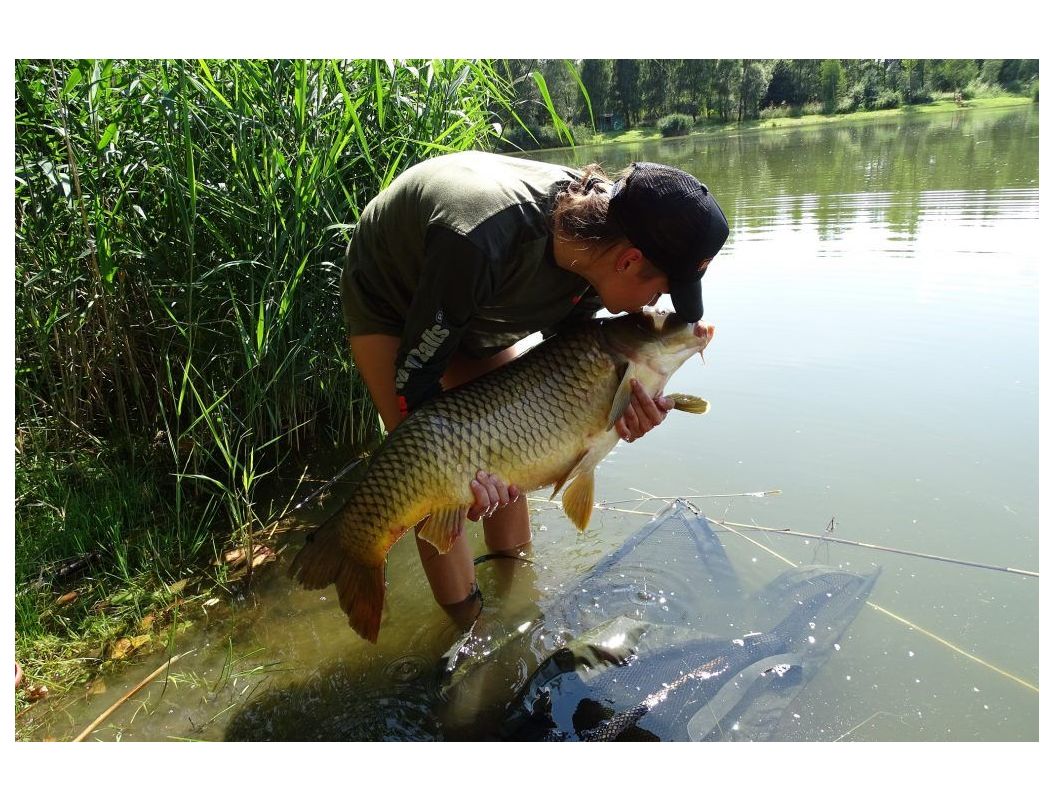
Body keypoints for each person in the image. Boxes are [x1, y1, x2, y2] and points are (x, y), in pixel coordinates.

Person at [340, 150, 729, 624]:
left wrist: (614, 414)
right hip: (393, 289)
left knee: (509, 443)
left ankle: (519, 599)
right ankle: (465, 626)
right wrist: (460, 478)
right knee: (433, 469)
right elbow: (417, 387)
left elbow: (560, 373)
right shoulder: (481, 241)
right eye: (659, 295)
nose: (654, 305)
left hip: (471, 294)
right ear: (629, 261)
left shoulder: (599, 248)